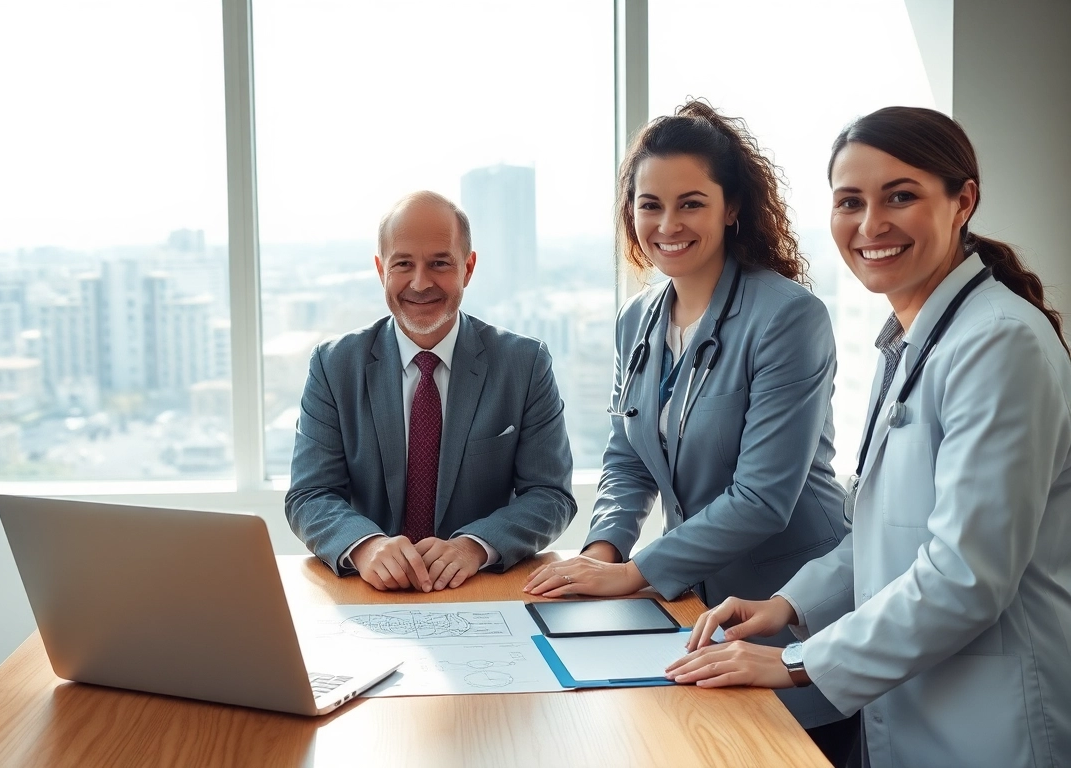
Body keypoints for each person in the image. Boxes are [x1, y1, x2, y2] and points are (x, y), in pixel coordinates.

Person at [668, 106, 1071, 768]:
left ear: (962, 200)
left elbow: (965, 576)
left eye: (901, 196)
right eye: (849, 201)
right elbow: (885, 532)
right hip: (914, 712)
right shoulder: (915, 339)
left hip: (994, 727)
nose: (870, 225)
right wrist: (788, 605)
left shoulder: (999, 344)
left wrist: (795, 663)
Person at [523, 100, 852, 749]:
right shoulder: (637, 320)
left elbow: (763, 498)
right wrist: (602, 553)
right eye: (650, 204)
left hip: (791, 608)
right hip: (692, 614)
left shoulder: (788, 318)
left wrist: (633, 573)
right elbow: (626, 456)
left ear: (732, 208)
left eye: (691, 203)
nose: (667, 224)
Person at [286, 190, 576, 593]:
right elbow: (310, 494)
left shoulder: (524, 364)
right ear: (380, 269)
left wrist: (475, 546)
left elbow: (550, 495)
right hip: (370, 593)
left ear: (468, 268)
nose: (420, 283)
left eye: (439, 263)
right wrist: (366, 546)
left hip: (482, 588)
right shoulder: (334, 366)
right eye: (403, 264)